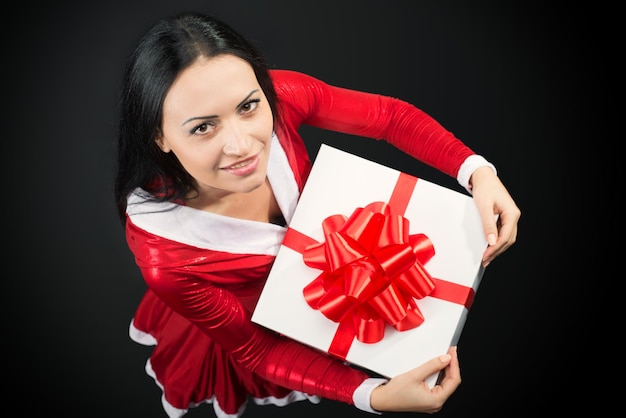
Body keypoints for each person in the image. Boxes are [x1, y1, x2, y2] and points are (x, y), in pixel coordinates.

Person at [114, 11, 521, 418]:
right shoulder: (166, 259)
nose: (242, 146)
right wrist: (371, 395)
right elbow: (258, 348)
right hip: (258, 329)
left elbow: (389, 118)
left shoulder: (279, 95)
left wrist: (476, 172)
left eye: (249, 106)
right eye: (203, 128)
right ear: (159, 136)